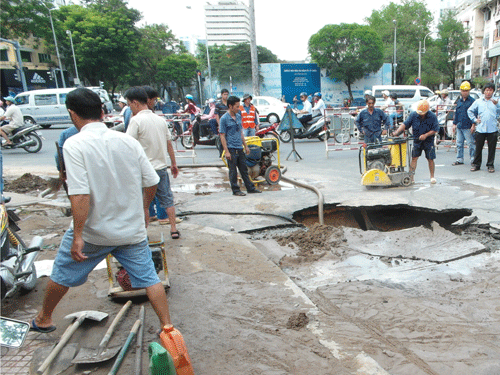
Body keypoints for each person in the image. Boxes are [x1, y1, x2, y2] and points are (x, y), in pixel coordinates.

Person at [30, 88, 172, 334]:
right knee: (150, 279)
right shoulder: (127, 140)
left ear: (72, 114)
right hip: (130, 230)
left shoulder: (74, 144)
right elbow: (152, 181)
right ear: (102, 111)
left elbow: (80, 195)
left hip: (95, 233)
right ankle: (168, 328)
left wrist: (77, 236)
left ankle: (44, 318)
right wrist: (144, 209)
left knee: (62, 273)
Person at [126, 86, 181, 238]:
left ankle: (143, 232)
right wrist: (174, 163)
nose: (129, 107)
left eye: (129, 104)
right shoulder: (160, 120)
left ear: (135, 103)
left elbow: (128, 145)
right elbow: (169, 143)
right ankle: (174, 229)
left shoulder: (136, 121)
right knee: (167, 199)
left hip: (144, 170)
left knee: (144, 203)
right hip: (161, 167)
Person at [219, 95, 262, 196]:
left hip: (239, 147)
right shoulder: (224, 119)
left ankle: (250, 188)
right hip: (231, 148)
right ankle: (236, 190)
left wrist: (245, 146)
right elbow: (222, 136)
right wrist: (227, 151)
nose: (239, 108)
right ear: (230, 106)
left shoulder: (239, 116)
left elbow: (241, 132)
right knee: (233, 171)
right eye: (237, 106)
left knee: (244, 170)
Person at [393, 100, 440, 184]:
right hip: (417, 140)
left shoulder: (432, 116)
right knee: (414, 158)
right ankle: (411, 177)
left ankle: (432, 176)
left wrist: (426, 135)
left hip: (428, 140)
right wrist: (397, 132)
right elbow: (405, 124)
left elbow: (435, 129)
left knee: (430, 158)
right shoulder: (414, 115)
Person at [467, 82, 499, 173]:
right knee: (478, 147)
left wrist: (497, 105)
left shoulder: (496, 101)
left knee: (492, 148)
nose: (488, 92)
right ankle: (476, 164)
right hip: (481, 128)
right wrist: (475, 120)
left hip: (492, 128)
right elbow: (470, 110)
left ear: (493, 91)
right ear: (484, 91)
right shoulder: (478, 101)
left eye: (490, 90)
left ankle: (490, 165)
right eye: (487, 90)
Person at [452, 81, 476, 166]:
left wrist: (473, 125)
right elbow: (457, 113)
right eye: (463, 90)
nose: (464, 92)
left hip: (468, 126)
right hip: (460, 126)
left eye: (466, 90)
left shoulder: (473, 101)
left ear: (469, 91)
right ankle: (459, 159)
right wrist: (454, 124)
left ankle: (473, 159)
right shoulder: (459, 101)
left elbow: (475, 114)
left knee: (471, 144)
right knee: (459, 143)